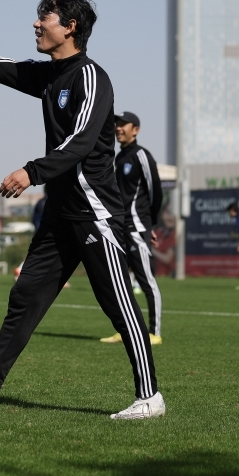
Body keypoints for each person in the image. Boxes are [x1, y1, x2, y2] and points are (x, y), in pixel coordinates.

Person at [0, 0, 163, 421]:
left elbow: (81, 141)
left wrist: (32, 171)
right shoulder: (49, 75)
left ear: (70, 27)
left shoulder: (91, 77)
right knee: (25, 296)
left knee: (116, 302)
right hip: (59, 214)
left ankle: (150, 397)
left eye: (45, 17)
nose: (36, 24)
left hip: (95, 213)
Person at [101, 112, 164, 346]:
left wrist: (150, 224)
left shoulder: (141, 155)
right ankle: (126, 330)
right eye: (116, 125)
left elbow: (155, 191)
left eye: (123, 125)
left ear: (135, 130)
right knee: (122, 283)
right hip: (120, 228)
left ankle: (155, 332)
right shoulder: (119, 157)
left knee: (146, 280)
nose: (118, 128)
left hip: (137, 227)